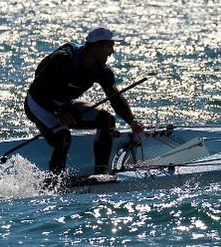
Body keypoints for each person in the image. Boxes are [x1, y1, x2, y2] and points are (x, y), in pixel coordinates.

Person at [25, 27, 145, 176]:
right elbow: (38, 89)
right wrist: (58, 112)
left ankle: (101, 175)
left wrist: (131, 121)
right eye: (109, 46)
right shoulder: (64, 58)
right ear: (96, 46)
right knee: (63, 138)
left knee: (107, 120)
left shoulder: (102, 71)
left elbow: (115, 97)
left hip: (64, 106)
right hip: (39, 104)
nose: (111, 52)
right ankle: (54, 184)